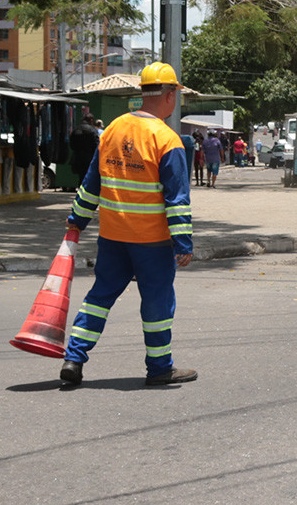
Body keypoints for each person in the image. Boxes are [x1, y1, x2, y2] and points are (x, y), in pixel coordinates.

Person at [59, 62, 196, 387]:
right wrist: (184, 244)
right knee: (157, 302)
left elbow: (92, 184)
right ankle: (160, 368)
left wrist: (77, 219)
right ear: (170, 95)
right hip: (152, 242)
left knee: (99, 296)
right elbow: (176, 201)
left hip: (113, 236)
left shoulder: (113, 131)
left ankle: (74, 359)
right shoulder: (167, 140)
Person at [67, 110, 101, 183]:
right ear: (91, 120)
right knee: (88, 178)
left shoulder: (76, 129)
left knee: (81, 177)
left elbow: (71, 144)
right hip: (89, 158)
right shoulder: (92, 130)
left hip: (77, 158)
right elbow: (96, 144)